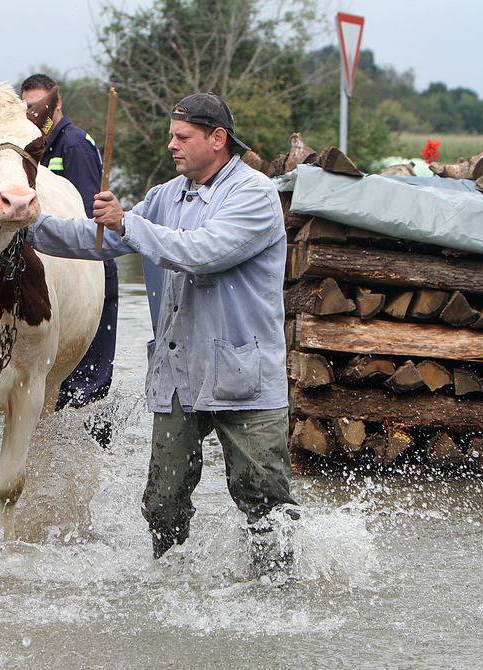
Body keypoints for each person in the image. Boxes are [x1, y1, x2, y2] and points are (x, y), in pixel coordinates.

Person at [26, 92, 299, 570]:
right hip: (177, 373)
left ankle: (275, 592)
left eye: (182, 137)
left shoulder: (254, 194)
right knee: (163, 502)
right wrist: (24, 226)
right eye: (171, 136)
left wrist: (128, 222)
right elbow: (101, 240)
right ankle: (166, 583)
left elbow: (201, 252)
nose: (171, 146)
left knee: (265, 502)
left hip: (243, 377)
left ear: (218, 139)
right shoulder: (167, 195)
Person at [19, 73, 119, 449]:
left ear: (56, 106)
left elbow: (87, 218)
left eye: (39, 107)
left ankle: (91, 449)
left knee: (88, 375)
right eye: (27, 108)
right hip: (53, 270)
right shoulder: (32, 145)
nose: (34, 114)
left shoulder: (73, 144)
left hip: (86, 271)